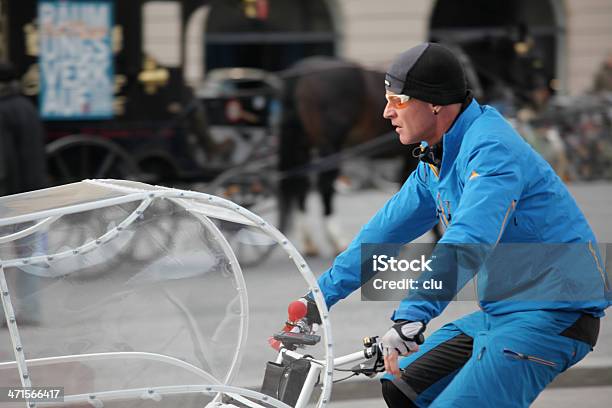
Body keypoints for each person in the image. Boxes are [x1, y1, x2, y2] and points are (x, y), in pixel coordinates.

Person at [290, 43, 609, 407]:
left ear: (435, 103)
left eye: (397, 100)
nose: (386, 112)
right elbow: (382, 235)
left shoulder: (492, 150)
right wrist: (317, 300)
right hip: (501, 312)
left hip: (554, 315)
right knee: (403, 386)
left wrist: (412, 316)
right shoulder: (437, 158)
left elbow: (468, 239)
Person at [0, 61, 48, 326]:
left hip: (8, 195)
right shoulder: (27, 107)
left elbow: (3, 162)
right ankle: (31, 310)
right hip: (32, 194)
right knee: (27, 254)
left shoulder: (3, 111)